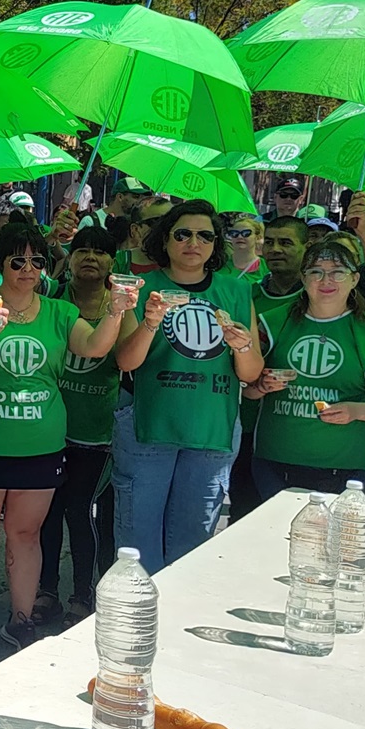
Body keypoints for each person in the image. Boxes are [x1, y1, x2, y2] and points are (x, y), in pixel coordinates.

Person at [0, 223, 131, 654]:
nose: (28, 269)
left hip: (42, 441)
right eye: (18, 260)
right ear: (2, 264)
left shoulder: (59, 311)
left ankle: (21, 616)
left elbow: (94, 348)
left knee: (25, 534)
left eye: (37, 261)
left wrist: (117, 310)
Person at [113, 200, 262, 573]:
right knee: (137, 544)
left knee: (193, 546)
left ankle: (172, 623)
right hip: (149, 426)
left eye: (204, 235)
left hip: (211, 430)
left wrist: (240, 344)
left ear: (215, 245)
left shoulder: (237, 292)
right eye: (182, 234)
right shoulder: (145, 290)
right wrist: (149, 322)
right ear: (164, 241)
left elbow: (250, 372)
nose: (192, 242)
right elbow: (126, 362)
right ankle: (134, 622)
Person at [244, 241, 365, 499]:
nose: (326, 280)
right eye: (316, 271)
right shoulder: (271, 323)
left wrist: (357, 410)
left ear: (354, 279)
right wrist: (260, 386)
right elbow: (246, 390)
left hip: (349, 468)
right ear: (303, 278)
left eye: (337, 272)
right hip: (274, 462)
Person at [36, 225, 126, 628]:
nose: (90, 257)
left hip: (97, 435)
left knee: (81, 512)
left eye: (100, 252)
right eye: (82, 250)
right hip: (51, 431)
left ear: (112, 263)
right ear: (68, 259)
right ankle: (46, 591)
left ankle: (84, 595)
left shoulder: (120, 308)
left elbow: (127, 361)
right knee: (48, 513)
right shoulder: (52, 299)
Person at [230, 215, 310, 521]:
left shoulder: (319, 300)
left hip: (297, 431)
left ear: (307, 247)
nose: (276, 249)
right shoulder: (247, 295)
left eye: (287, 242)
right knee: (244, 516)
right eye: (271, 242)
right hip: (247, 425)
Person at [113, 196, 172, 276]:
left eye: (172, 221)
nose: (166, 228)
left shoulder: (185, 264)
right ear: (136, 229)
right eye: (157, 222)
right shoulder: (117, 262)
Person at [80, 177, 148, 230]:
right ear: (120, 197)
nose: (140, 201)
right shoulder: (91, 221)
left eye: (141, 198)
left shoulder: (133, 225)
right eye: (136, 197)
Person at [221, 214, 267, 283]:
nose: (239, 236)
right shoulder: (220, 265)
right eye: (234, 233)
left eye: (246, 233)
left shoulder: (267, 268)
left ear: (257, 237)